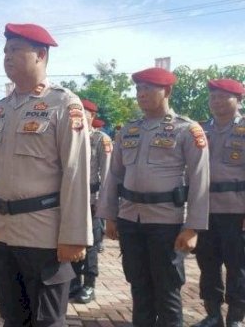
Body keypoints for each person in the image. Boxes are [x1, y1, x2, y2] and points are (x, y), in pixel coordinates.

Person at [0, 23, 92, 326]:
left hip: (43, 235)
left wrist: (75, 235)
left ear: (41, 54)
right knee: (12, 318)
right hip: (1, 233)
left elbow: (75, 172)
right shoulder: (0, 110)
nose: (7, 56)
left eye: (15, 49)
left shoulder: (64, 104)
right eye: (5, 50)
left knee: (46, 321)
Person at [97, 67, 210, 327]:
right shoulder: (128, 130)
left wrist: (192, 228)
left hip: (166, 222)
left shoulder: (187, 130)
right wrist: (110, 217)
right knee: (139, 287)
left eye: (148, 88)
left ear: (167, 91)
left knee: (167, 290)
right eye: (138, 88)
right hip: (130, 220)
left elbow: (199, 181)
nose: (141, 93)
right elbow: (114, 175)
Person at [193, 79, 245, 327]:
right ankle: (213, 314)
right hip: (205, 210)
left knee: (238, 267)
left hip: (237, 211)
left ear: (239, 99)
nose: (216, 101)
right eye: (213, 96)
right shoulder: (201, 130)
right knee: (208, 263)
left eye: (223, 96)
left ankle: (235, 317)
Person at [69, 99, 112, 304]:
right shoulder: (70, 137)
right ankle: (74, 282)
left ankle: (89, 284)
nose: (78, 116)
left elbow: (107, 175)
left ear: (92, 116)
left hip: (92, 199)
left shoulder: (100, 139)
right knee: (72, 239)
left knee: (92, 243)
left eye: (83, 113)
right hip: (71, 199)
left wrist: (103, 205)